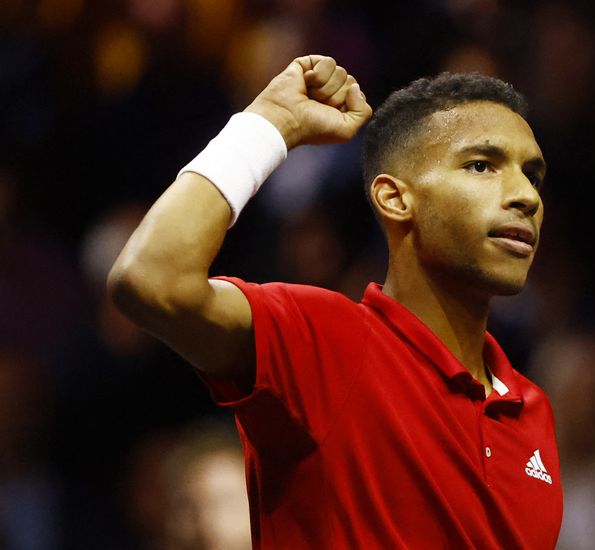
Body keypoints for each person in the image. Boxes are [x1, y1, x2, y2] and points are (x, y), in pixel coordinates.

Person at [109, 54, 562, 548]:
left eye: (532, 175)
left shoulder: (532, 409)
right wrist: (268, 125)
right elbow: (151, 278)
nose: (526, 196)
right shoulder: (327, 340)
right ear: (394, 199)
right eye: (482, 165)